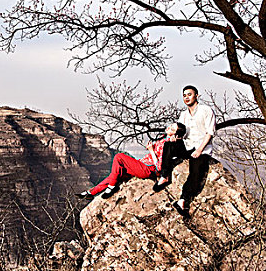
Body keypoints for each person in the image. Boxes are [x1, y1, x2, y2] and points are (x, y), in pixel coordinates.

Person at [76, 122, 187, 200]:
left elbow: (159, 167)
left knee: (119, 157)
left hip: (148, 169)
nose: (168, 128)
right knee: (116, 174)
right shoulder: (163, 138)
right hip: (142, 164)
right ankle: (91, 192)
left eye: (172, 129)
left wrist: (151, 151)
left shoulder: (167, 145)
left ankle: (112, 187)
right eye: (170, 126)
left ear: (176, 135)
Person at [171, 85, 216, 218]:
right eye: (184, 95)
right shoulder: (183, 115)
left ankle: (183, 200)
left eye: (189, 94)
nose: (186, 97)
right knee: (168, 146)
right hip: (187, 147)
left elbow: (210, 133)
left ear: (197, 96)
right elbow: (181, 132)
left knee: (196, 172)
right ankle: (162, 174)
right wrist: (175, 137)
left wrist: (200, 150)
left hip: (202, 149)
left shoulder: (206, 110)